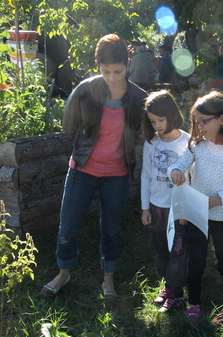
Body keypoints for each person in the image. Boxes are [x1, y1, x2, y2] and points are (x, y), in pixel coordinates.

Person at [41, 34, 147, 299]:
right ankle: (63, 274)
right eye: (105, 71)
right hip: (82, 171)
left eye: (118, 71)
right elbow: (70, 127)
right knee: (68, 227)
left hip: (117, 176)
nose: (112, 77)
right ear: (98, 66)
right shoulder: (85, 90)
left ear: (128, 63)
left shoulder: (139, 97)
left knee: (111, 230)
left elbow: (141, 134)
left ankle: (108, 280)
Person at [168, 91, 223, 327]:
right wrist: (174, 171)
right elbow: (179, 164)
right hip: (197, 214)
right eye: (196, 120)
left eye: (204, 120)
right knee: (196, 261)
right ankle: (194, 303)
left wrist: (219, 198)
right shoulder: (197, 146)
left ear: (222, 119)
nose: (198, 125)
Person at [140, 90, 190, 313]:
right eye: (153, 121)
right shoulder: (151, 143)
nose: (158, 125)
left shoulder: (188, 142)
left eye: (161, 119)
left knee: (177, 252)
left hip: (179, 208)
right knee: (161, 252)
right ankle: (168, 285)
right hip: (156, 208)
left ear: (172, 114)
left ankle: (178, 295)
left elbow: (195, 179)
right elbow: (146, 176)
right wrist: (144, 208)